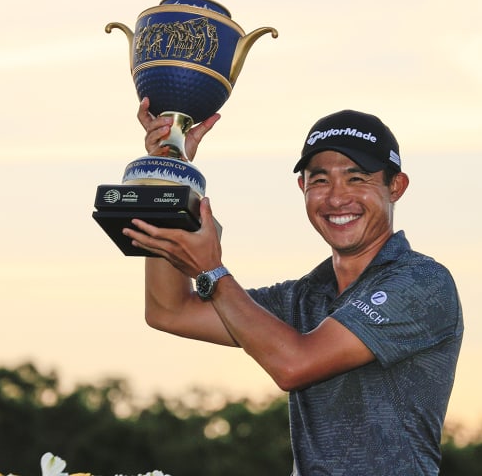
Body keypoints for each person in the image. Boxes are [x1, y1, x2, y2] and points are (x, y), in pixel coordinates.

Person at [123, 97, 464, 475]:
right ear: (302, 187)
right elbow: (168, 310)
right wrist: (169, 171)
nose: (336, 197)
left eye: (357, 178)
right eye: (320, 180)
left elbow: (294, 364)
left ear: (396, 186)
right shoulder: (304, 296)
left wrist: (213, 271)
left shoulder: (423, 282)